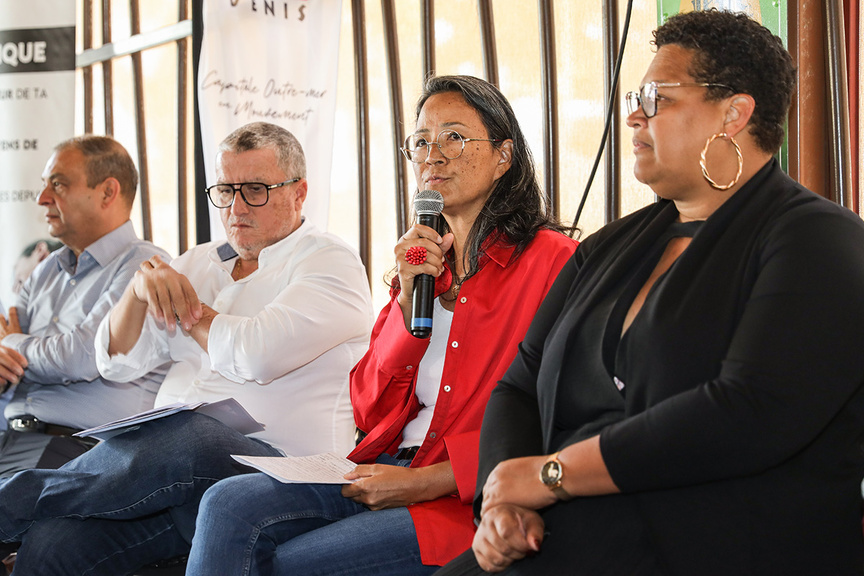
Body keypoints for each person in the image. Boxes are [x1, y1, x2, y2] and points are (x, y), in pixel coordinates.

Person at [434, 10, 864, 576]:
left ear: (733, 114)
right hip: (561, 540)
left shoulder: (819, 238)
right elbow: (519, 382)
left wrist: (551, 475)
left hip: (720, 546)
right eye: (636, 96)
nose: (633, 114)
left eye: (657, 97)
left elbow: (748, 413)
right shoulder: (610, 246)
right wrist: (505, 503)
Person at [183, 75, 578, 576]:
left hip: (467, 495)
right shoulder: (421, 259)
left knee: (288, 564)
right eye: (420, 141)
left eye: (454, 137)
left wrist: (432, 480)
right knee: (225, 504)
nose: (433, 155)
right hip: (389, 465)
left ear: (503, 156)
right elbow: (369, 403)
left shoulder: (554, 263)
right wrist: (413, 298)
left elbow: (559, 415)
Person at [0, 121, 374, 575]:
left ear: (299, 192)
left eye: (255, 189)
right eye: (225, 190)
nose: (236, 207)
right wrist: (136, 296)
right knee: (54, 545)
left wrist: (188, 308)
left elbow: (256, 353)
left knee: (190, 432)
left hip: (283, 471)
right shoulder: (198, 261)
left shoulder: (330, 261)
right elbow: (118, 363)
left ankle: (8, 504)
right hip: (173, 477)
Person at [0, 136, 170, 477]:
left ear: (108, 192)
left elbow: (83, 357)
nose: (42, 198)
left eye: (58, 185)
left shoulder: (146, 267)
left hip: (84, 452)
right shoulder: (44, 272)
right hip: (14, 439)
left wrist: (13, 345)